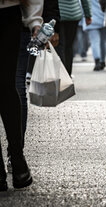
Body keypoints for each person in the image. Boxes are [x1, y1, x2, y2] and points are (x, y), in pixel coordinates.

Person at [10, 0, 60, 174]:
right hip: (21, 19)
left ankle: (14, 155)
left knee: (16, 86)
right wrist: (47, 22)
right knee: (16, 86)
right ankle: (16, 155)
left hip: (20, 21)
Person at [0, 0, 43, 191]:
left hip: (8, 13)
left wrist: (35, 20)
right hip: (8, 13)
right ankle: (18, 161)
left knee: (6, 85)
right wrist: (34, 20)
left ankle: (14, 159)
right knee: (7, 85)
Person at [55, 0, 92, 77]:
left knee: (59, 45)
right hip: (73, 14)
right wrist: (88, 14)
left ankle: (61, 74)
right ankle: (68, 74)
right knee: (68, 46)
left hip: (57, 13)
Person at [82, 0, 106, 71]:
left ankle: (97, 61)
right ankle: (102, 61)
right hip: (104, 18)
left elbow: (82, 4)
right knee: (104, 42)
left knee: (94, 41)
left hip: (91, 19)